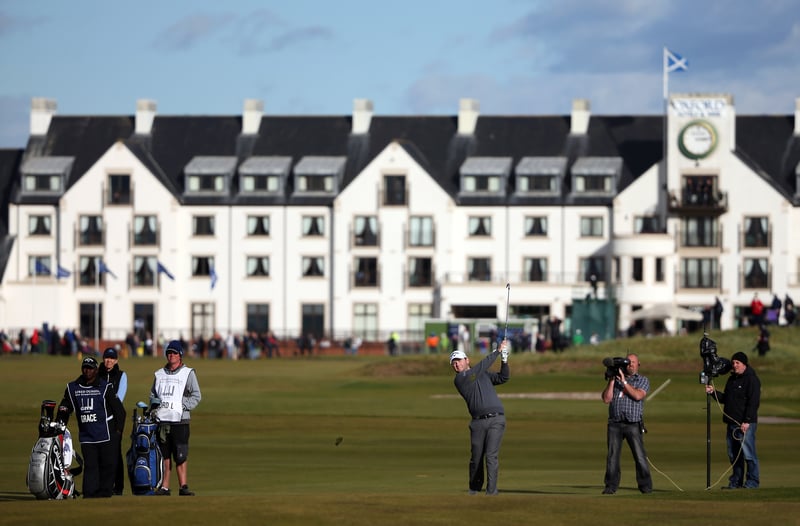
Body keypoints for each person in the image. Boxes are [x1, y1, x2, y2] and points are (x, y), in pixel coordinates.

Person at [60, 356, 126, 498]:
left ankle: (104, 493)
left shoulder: (105, 387)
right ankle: (90, 494)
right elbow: (66, 406)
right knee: (90, 466)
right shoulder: (73, 388)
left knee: (107, 465)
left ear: (96, 370)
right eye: (85, 367)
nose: (87, 371)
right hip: (87, 436)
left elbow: (119, 411)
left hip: (105, 434)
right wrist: (61, 419)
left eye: (90, 368)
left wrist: (118, 431)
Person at [450, 339, 510, 496]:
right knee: (476, 458)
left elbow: (503, 378)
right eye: (453, 363)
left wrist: (504, 359)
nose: (456, 365)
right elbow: (479, 368)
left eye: (459, 361)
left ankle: (491, 491)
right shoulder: (461, 379)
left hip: (496, 419)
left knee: (491, 455)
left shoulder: (480, 374)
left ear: (466, 360)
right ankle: (474, 489)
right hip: (477, 422)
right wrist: (497, 351)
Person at [151, 340, 202, 496]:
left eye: (174, 353)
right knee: (165, 455)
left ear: (180, 355)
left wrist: (182, 405)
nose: (171, 355)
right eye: (169, 353)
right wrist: (154, 408)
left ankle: (183, 486)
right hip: (163, 420)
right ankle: (165, 486)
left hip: (181, 420)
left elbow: (196, 395)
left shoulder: (188, 373)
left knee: (180, 454)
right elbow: (153, 394)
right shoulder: (159, 374)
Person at [704, 351, 761, 489]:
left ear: (744, 364)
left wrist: (747, 421)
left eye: (737, 363)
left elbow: (753, 403)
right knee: (733, 454)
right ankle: (736, 482)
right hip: (731, 423)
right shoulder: (732, 379)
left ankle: (752, 482)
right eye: (733, 362)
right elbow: (726, 399)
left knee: (748, 454)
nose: (734, 365)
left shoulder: (751, 379)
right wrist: (713, 392)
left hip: (745, 424)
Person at [601, 353, 653, 495]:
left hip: (633, 423)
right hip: (615, 423)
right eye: (628, 362)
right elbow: (606, 399)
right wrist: (612, 380)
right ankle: (610, 486)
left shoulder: (642, 380)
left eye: (633, 362)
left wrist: (624, 382)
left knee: (639, 456)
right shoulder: (615, 379)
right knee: (612, 456)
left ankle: (645, 486)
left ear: (638, 364)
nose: (630, 365)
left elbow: (638, 395)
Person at [98, 347, 128, 495]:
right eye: (106, 358)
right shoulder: (97, 374)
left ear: (116, 360)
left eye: (111, 358)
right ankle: (104, 485)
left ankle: (118, 487)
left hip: (115, 418)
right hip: (99, 418)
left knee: (115, 452)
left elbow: (119, 398)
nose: (108, 361)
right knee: (100, 452)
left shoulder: (121, 375)